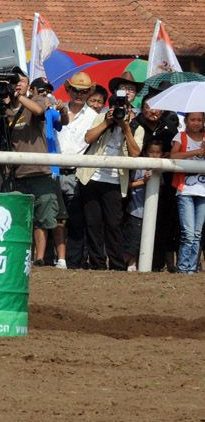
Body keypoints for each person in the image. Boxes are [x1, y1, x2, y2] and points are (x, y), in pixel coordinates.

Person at [77, 83, 144, 270]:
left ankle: (117, 264)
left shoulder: (136, 126)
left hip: (115, 181)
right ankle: (97, 263)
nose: (120, 112)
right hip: (91, 177)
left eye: (124, 109)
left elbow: (135, 153)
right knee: (93, 223)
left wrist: (126, 127)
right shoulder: (101, 117)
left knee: (114, 225)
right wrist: (107, 122)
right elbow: (88, 138)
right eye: (117, 109)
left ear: (130, 110)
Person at [7, 71, 62, 267]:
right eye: (13, 83)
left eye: (20, 82)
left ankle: (39, 259)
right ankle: (20, 256)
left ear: (28, 85)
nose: (16, 85)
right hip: (16, 172)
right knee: (17, 218)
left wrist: (19, 97)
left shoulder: (37, 99)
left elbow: (39, 111)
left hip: (40, 171)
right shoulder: (4, 108)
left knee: (42, 218)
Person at [130, 82, 180, 272]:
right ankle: (131, 261)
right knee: (133, 223)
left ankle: (157, 264)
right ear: (142, 108)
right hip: (137, 184)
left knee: (163, 223)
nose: (153, 111)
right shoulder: (134, 125)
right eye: (149, 107)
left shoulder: (169, 128)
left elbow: (176, 150)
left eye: (157, 107)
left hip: (164, 184)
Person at [56, 72, 99, 269]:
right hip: (54, 170)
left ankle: (72, 260)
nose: (79, 94)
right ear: (69, 90)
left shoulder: (94, 117)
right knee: (51, 217)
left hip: (76, 172)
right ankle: (51, 257)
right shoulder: (57, 110)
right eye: (76, 90)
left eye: (83, 91)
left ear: (89, 93)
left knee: (74, 218)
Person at [29, 77, 69, 269]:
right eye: (41, 90)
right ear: (32, 90)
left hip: (52, 169)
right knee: (34, 216)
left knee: (57, 215)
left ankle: (61, 259)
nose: (45, 94)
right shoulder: (25, 111)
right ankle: (38, 257)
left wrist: (63, 109)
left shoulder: (50, 112)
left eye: (47, 91)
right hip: (29, 169)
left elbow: (64, 122)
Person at [170, 112, 205, 274]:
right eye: (193, 120)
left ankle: (191, 268)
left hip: (203, 191)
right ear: (186, 121)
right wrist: (195, 152)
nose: (196, 123)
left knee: (197, 234)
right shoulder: (181, 136)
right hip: (185, 190)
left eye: (199, 120)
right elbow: (173, 156)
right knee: (188, 233)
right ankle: (183, 268)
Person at [124, 140, 165, 272]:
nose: (154, 155)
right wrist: (144, 181)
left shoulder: (159, 169)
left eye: (157, 153)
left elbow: (161, 187)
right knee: (133, 240)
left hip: (151, 212)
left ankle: (143, 263)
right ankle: (130, 263)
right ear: (146, 153)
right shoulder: (139, 166)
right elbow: (129, 185)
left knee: (146, 239)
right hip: (136, 210)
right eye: (151, 152)